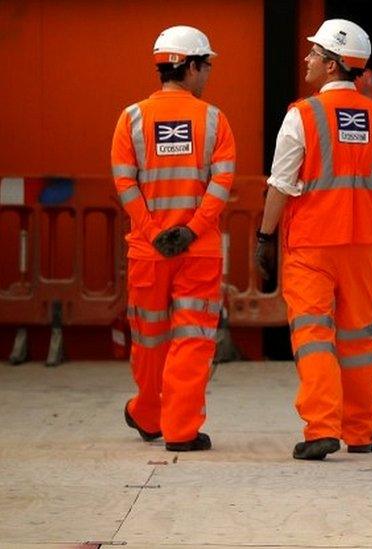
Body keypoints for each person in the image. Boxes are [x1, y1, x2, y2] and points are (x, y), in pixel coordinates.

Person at [254, 18, 372, 461]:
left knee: (313, 334)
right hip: (363, 244)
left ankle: (322, 427)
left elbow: (281, 184)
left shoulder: (302, 115)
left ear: (334, 64)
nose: (307, 58)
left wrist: (264, 236)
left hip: (312, 245)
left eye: (315, 53)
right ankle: (360, 431)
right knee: (357, 338)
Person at [111, 26, 236, 452]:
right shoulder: (214, 119)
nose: (209, 74)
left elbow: (125, 184)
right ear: (192, 67)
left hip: (148, 251)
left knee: (148, 339)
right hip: (197, 251)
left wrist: (152, 232)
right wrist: (192, 230)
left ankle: (148, 414)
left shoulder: (131, 118)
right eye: (207, 66)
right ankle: (180, 429)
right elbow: (221, 184)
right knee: (193, 339)